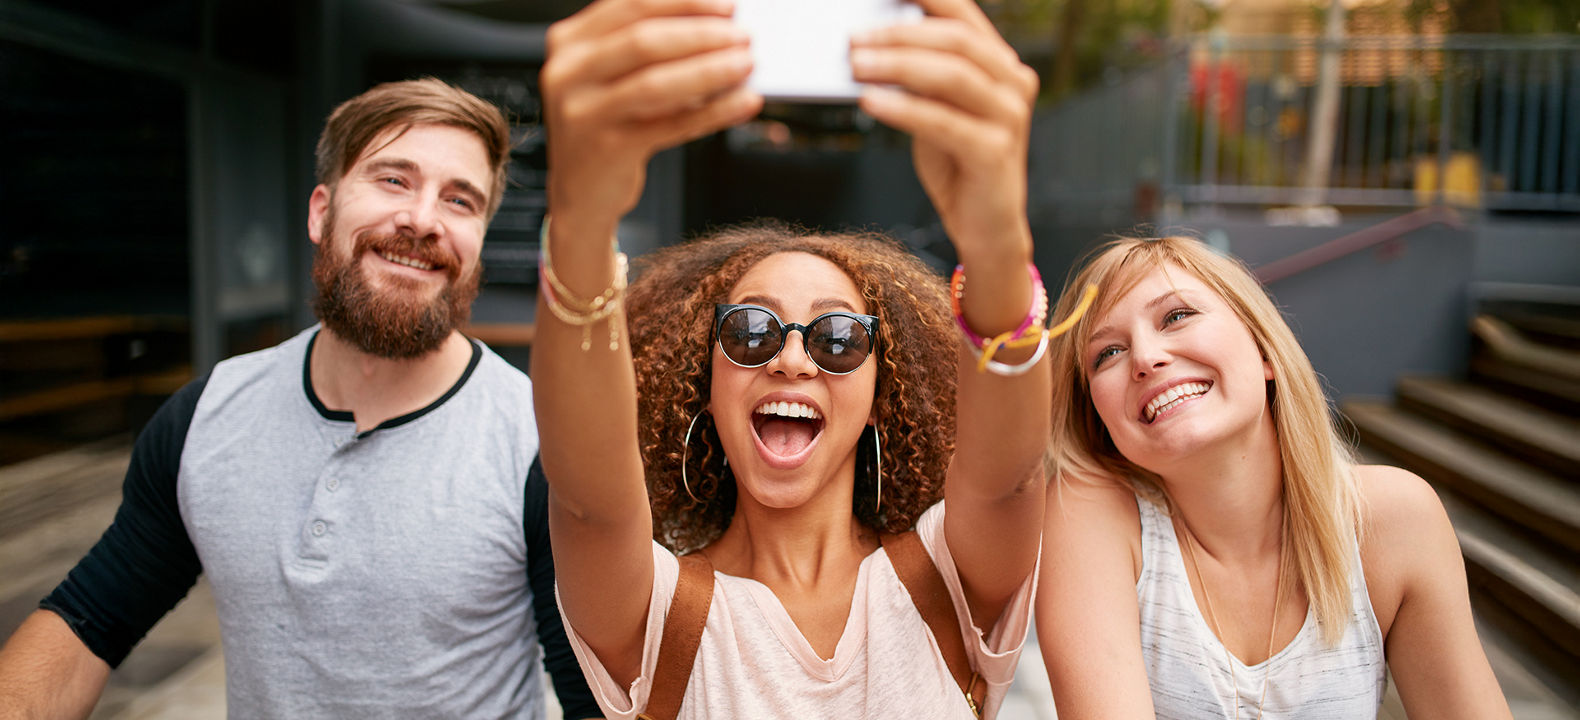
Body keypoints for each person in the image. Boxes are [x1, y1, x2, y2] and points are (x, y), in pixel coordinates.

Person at [0, 78, 599, 720]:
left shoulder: (538, 443)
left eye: (460, 201)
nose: (423, 220)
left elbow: (593, 696)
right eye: (393, 180)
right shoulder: (206, 417)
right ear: (320, 212)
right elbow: (89, 621)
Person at [530, 0, 1049, 716]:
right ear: (704, 389)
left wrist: (996, 244)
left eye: (838, 339)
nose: (794, 359)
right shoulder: (655, 616)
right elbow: (588, 504)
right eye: (750, 331)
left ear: (880, 397)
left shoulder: (947, 581)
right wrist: (581, 218)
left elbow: (1010, 481)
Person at [1034, 235, 1513, 719]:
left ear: (1263, 351)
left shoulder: (1393, 520)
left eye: (1176, 316)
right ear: (1098, 416)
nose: (1144, 358)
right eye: (1107, 354)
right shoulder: (1088, 519)